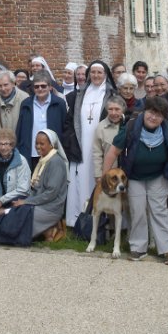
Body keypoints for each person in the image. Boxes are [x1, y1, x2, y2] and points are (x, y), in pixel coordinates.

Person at [104, 95, 168, 263]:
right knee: (137, 211)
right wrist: (105, 177)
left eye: (159, 115)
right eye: (151, 112)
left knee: (159, 211)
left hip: (159, 176)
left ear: (163, 117)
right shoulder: (131, 128)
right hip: (134, 176)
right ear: (145, 111)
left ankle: (167, 249)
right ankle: (138, 248)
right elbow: (113, 152)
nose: (154, 117)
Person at [66, 60, 112, 225]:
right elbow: (71, 120)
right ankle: (78, 218)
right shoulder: (80, 94)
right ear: (88, 75)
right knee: (80, 177)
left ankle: (99, 219)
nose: (96, 75)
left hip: (101, 144)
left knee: (98, 175)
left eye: (99, 72)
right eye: (93, 72)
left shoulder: (110, 94)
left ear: (105, 75)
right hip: (81, 143)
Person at [6, 129, 69, 241]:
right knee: (13, 209)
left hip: (51, 208)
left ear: (51, 145)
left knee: (19, 219)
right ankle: (47, 230)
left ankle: (51, 230)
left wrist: (26, 202)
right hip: (40, 203)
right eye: (36, 143)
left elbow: (51, 194)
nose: (38, 146)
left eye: (42, 144)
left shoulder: (56, 162)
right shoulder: (44, 160)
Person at [15, 72, 73, 169]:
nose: (40, 89)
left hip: (52, 152)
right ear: (33, 89)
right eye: (37, 87)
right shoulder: (26, 104)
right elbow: (20, 128)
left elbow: (65, 128)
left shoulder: (59, 103)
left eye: (43, 86)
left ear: (50, 87)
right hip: (31, 152)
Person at [0, 129, 31, 227]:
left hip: (15, 200)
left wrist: (1, 201)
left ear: (12, 145)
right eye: (0, 144)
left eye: (6, 144)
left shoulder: (21, 161)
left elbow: (23, 189)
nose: (3, 147)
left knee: (9, 224)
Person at [0, 71, 27, 153]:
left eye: (6, 85)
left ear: (13, 83)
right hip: (2, 149)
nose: (3, 88)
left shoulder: (24, 98)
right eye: (0, 86)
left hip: (20, 147)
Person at [91, 96, 127, 180]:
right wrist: (98, 175)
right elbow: (97, 153)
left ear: (123, 110)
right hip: (110, 173)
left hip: (128, 172)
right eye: (110, 109)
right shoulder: (101, 127)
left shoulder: (129, 124)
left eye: (117, 109)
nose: (113, 112)